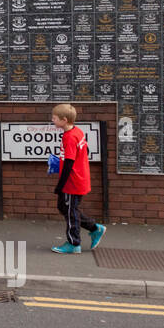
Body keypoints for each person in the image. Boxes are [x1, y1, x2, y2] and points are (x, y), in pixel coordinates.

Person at [51, 103, 105, 253]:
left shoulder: (69, 137)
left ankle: (74, 244)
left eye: (54, 118)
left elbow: (69, 163)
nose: (52, 120)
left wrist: (60, 186)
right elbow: (85, 150)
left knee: (70, 211)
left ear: (64, 120)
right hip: (79, 178)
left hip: (72, 182)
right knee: (65, 208)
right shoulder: (77, 132)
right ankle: (95, 228)